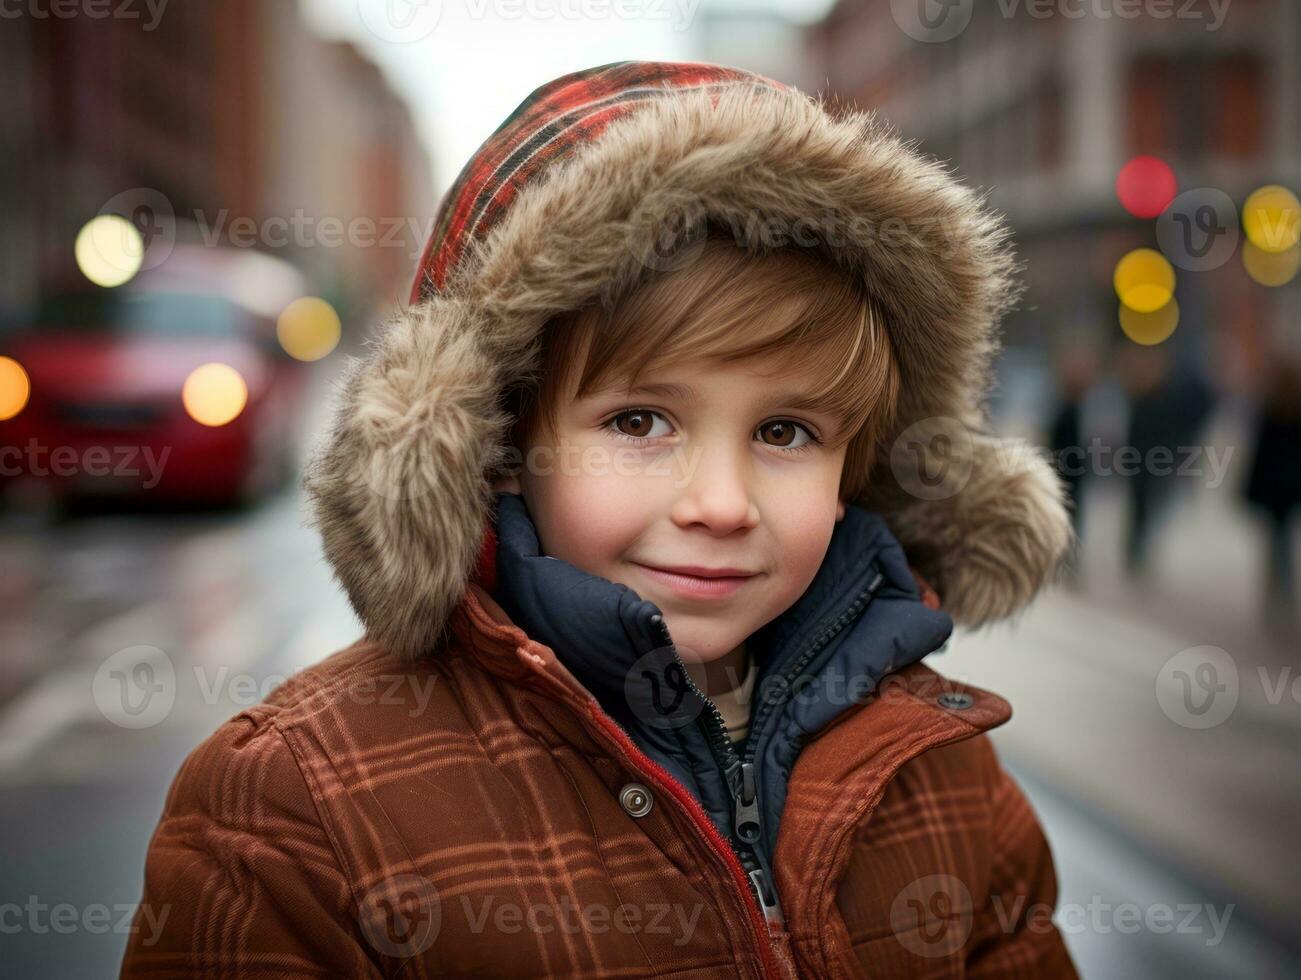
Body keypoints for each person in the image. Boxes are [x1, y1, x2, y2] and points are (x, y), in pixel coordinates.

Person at [121, 61, 1078, 977]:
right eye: (638, 422)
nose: (718, 504)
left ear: (856, 467)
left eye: (785, 430)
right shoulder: (301, 808)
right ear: (494, 440)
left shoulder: (948, 781)